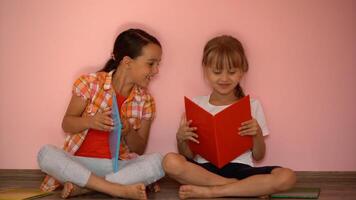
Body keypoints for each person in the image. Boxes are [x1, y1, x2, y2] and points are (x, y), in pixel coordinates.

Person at [162, 35, 296, 199]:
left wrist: (257, 134)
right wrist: (181, 139)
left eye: (232, 72)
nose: (224, 78)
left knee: (287, 177)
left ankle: (213, 191)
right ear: (205, 70)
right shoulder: (196, 105)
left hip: (241, 169)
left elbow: (259, 156)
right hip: (204, 170)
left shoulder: (252, 105)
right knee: (169, 161)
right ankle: (241, 188)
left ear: (242, 71)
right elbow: (188, 156)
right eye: (217, 72)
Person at [37, 28, 164, 200]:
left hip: (118, 168)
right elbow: (67, 124)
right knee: (45, 154)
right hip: (80, 164)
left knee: (158, 162)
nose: (156, 71)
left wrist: (127, 131)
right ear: (127, 62)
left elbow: (140, 149)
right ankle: (115, 189)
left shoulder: (146, 100)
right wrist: (90, 121)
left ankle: (88, 188)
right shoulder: (90, 83)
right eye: (151, 63)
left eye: (158, 64)